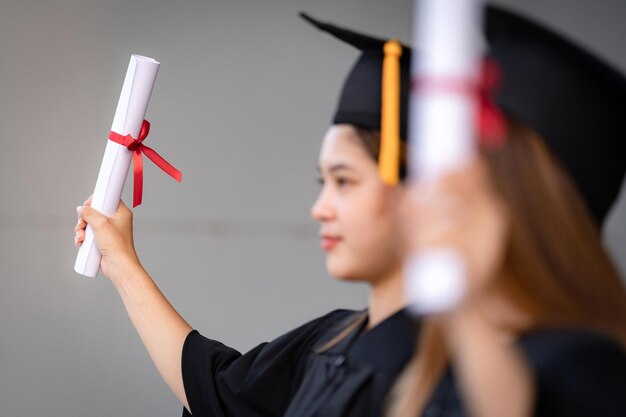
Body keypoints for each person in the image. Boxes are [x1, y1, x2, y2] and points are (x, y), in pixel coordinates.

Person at [74, 13, 418, 417]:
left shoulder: (459, 377)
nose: (320, 208)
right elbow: (222, 395)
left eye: (344, 181)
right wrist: (122, 264)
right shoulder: (331, 339)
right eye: (321, 182)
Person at [388, 5, 626, 417]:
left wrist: (465, 310)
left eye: (455, 177)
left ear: (517, 200)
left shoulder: (586, 366)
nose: (420, 196)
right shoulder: (442, 356)